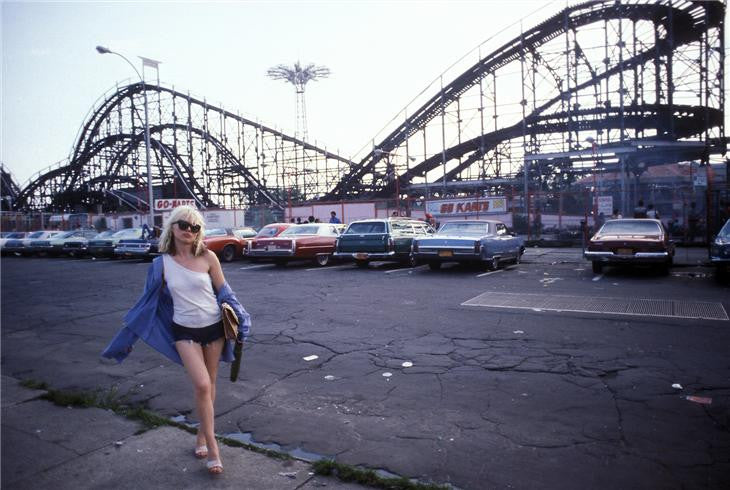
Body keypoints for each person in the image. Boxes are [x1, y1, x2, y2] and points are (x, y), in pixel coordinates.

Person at [101, 206, 251, 476]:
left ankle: (201, 435)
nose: (189, 231)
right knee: (202, 383)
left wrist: (241, 317)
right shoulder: (160, 265)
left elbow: (225, 292)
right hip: (183, 331)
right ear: (172, 226)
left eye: (195, 227)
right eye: (184, 225)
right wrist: (129, 336)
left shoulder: (208, 257)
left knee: (210, 384)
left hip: (214, 328)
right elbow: (146, 304)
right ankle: (214, 446)